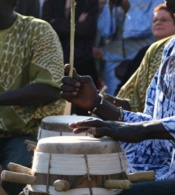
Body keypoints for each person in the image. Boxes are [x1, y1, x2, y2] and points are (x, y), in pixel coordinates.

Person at [0, 0, 65, 194]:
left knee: (20, 179)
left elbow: (50, 89)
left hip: (23, 132)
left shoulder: (39, 31)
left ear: (11, 4)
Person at [60, 10, 175, 179]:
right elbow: (154, 131)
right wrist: (97, 104)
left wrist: (142, 129)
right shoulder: (170, 48)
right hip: (162, 172)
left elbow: (145, 129)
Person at [42, 0, 100, 116]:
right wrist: (76, 24)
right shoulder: (50, 2)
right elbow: (46, 26)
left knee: (84, 111)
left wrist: (57, 22)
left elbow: (86, 29)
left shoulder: (90, 2)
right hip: (55, 61)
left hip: (83, 61)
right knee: (56, 109)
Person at [98, 0, 164, 95]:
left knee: (139, 99)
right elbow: (105, 32)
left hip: (141, 62)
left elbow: (147, 28)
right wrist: (110, 5)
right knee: (112, 101)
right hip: (113, 63)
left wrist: (128, 8)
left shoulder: (155, 1)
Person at [115, 3, 175, 94]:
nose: (158, 23)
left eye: (164, 20)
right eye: (154, 21)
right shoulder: (145, 51)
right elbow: (126, 85)